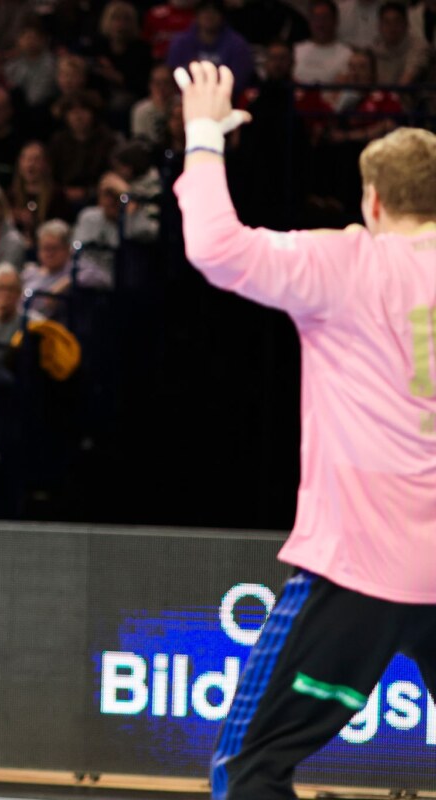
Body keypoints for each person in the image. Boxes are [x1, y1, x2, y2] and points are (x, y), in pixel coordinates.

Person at [174, 60, 436, 800]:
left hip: (360, 570)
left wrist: (204, 135)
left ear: (373, 200)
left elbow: (216, 248)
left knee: (248, 771)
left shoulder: (346, 261)